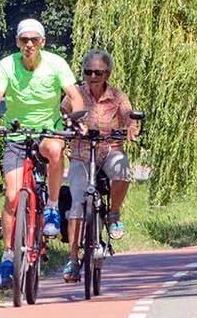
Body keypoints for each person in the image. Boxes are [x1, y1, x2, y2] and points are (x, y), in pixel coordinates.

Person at [0, 18, 86, 289]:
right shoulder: (6, 65)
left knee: (54, 148)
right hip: (17, 135)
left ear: (42, 43)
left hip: (48, 131)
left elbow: (74, 96)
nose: (29, 44)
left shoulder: (56, 64)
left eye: (34, 40)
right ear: (17, 42)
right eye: (24, 40)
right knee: (13, 197)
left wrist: (77, 118)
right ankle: (7, 257)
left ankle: (51, 208)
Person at [59, 50, 138, 282]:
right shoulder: (76, 94)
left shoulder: (117, 96)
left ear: (107, 74)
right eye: (88, 71)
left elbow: (129, 116)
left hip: (110, 149)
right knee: (76, 203)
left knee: (122, 168)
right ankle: (72, 258)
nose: (92, 76)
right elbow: (64, 113)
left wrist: (132, 128)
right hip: (81, 154)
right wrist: (69, 125)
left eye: (98, 72)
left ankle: (113, 214)